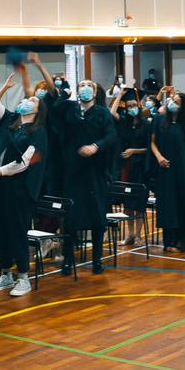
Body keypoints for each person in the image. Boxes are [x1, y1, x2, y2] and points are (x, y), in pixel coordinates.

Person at [32, 58, 115, 274]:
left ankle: (97, 259)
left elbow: (111, 136)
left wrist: (95, 146)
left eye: (89, 85)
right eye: (82, 85)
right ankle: (68, 259)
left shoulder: (103, 113)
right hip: (72, 172)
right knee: (69, 217)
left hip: (95, 173)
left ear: (94, 92)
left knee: (98, 218)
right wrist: (62, 91)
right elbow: (53, 104)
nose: (85, 88)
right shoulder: (70, 109)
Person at [0, 57, 48, 298]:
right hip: (0, 188)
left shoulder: (38, 133)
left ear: (38, 110)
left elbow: (26, 162)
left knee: (17, 232)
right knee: (1, 231)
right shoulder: (10, 121)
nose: (26, 100)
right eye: (27, 98)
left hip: (20, 190)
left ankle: (23, 278)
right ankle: (6, 274)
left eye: (32, 100)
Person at [151, 89, 185, 253]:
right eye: (172, 99)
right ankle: (168, 241)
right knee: (167, 204)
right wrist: (159, 156)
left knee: (182, 202)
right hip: (165, 170)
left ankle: (181, 240)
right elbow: (152, 142)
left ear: (182, 107)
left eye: (176, 102)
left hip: (183, 170)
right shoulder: (159, 120)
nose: (171, 103)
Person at [108, 87, 152, 245]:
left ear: (139, 106)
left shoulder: (147, 125)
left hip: (140, 166)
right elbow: (112, 113)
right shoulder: (124, 123)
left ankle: (139, 235)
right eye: (128, 106)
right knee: (127, 201)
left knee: (138, 201)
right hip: (126, 166)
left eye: (134, 105)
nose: (131, 108)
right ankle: (130, 234)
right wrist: (120, 95)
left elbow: (150, 148)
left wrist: (134, 151)